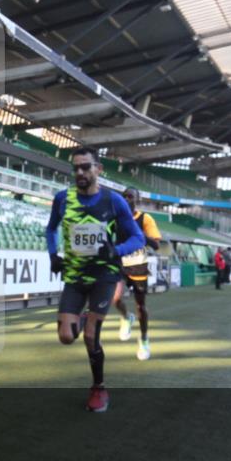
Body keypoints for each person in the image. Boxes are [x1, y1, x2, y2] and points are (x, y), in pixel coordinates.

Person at [46, 148, 145, 413]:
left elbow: (138, 238)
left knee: (91, 336)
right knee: (66, 337)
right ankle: (79, 319)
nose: (80, 172)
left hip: (104, 275)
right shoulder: (62, 199)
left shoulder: (114, 201)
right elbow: (50, 227)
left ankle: (98, 388)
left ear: (98, 169)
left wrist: (116, 251)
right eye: (76, 168)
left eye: (85, 167)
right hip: (75, 275)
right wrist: (53, 254)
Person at [112, 188, 162, 360]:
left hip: (138, 266)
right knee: (116, 298)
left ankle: (144, 339)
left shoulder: (145, 219)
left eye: (130, 197)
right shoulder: (116, 217)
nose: (126, 199)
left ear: (137, 200)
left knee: (140, 306)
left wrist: (141, 236)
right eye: (124, 196)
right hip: (120, 263)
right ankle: (126, 318)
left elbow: (156, 245)